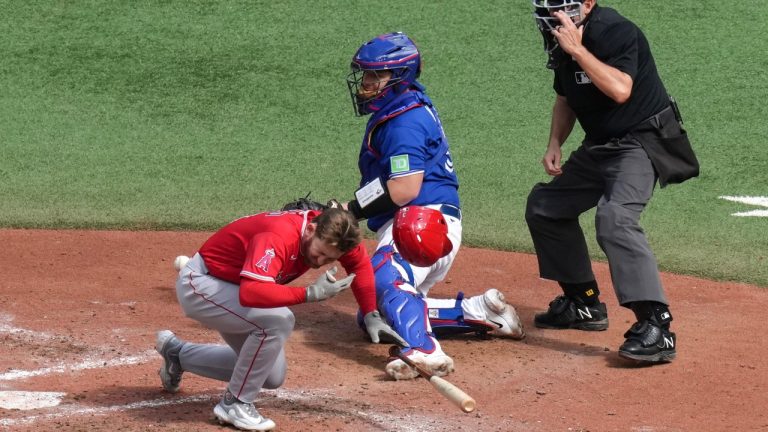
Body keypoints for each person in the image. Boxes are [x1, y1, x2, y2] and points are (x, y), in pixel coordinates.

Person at [341, 32, 525, 381]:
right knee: (376, 317)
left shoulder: (405, 122)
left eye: (374, 76)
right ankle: (479, 312)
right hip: (427, 219)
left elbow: (404, 189)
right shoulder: (405, 105)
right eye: (364, 75)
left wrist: (350, 209)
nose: (365, 84)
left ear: (400, 77)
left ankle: (425, 351)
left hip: (420, 221)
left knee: (384, 278)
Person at [527, 0, 699, 363]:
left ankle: (657, 327)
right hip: (600, 146)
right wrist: (555, 142)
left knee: (615, 218)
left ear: (587, 3)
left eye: (561, 6)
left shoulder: (616, 31)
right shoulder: (561, 38)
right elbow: (565, 97)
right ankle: (583, 303)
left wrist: (578, 50)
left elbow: (620, 89)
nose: (552, 15)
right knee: (546, 206)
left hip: (641, 141)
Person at [155, 208, 403, 431]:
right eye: (320, 253)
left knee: (269, 375)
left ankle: (178, 355)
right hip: (201, 285)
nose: (320, 262)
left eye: (330, 259)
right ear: (311, 228)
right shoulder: (279, 236)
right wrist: (308, 294)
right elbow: (251, 292)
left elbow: (359, 265)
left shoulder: (339, 235)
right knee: (279, 319)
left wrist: (371, 313)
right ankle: (236, 404)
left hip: (230, 289)